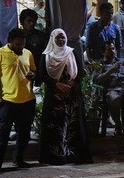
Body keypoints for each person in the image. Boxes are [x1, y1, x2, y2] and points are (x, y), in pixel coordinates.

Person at [38, 29, 91, 165]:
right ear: (52, 39)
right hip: (55, 96)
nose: (61, 40)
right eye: (58, 38)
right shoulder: (47, 55)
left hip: (72, 95)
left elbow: (81, 71)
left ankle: (73, 156)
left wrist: (72, 83)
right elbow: (42, 74)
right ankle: (56, 156)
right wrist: (57, 85)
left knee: (73, 124)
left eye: (63, 38)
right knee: (55, 124)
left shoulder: (71, 52)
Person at [0, 28, 37, 172]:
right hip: (8, 100)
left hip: (27, 99)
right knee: (3, 133)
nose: (20, 47)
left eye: (22, 44)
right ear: (10, 42)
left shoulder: (28, 53)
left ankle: (19, 159)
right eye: (17, 45)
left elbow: (34, 70)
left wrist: (33, 75)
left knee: (24, 133)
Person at [19, 8, 48, 86]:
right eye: (28, 21)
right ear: (22, 22)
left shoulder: (41, 36)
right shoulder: (17, 36)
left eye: (33, 21)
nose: (31, 23)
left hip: (38, 71)